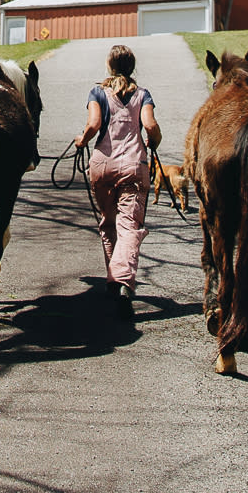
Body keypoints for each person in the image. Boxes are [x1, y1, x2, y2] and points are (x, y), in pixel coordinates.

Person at [71, 44, 161, 314]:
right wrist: (153, 142)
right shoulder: (142, 94)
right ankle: (122, 281)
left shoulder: (98, 91)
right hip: (133, 165)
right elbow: (150, 126)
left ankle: (113, 278)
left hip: (102, 165)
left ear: (109, 66)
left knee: (109, 222)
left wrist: (81, 140)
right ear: (132, 67)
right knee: (129, 225)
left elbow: (94, 124)